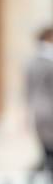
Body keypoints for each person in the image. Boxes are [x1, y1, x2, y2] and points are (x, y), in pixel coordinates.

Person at [26, 26, 53, 173]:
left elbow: (28, 92)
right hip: (50, 113)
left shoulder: (31, 63)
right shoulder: (49, 63)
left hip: (38, 113)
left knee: (46, 152)